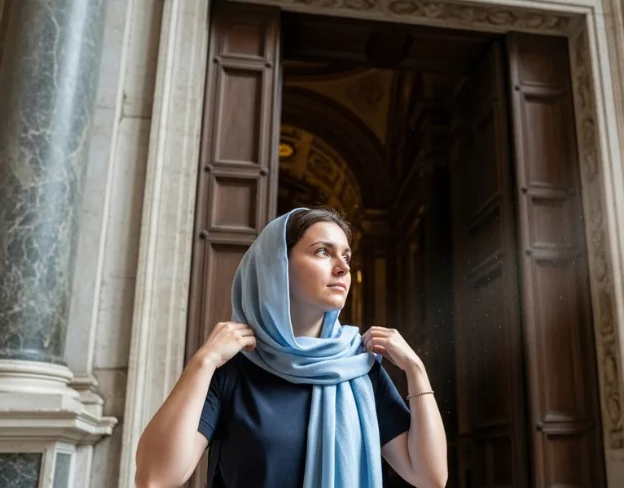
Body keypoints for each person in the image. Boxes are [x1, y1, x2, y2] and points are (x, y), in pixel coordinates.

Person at [134, 207, 448, 488]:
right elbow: (155, 478)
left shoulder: (360, 367)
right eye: (323, 252)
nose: (342, 268)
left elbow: (429, 476)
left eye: (346, 256)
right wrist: (202, 362)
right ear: (277, 266)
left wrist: (416, 370)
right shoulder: (234, 369)